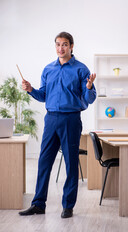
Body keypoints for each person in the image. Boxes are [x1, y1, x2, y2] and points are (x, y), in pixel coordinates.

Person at [19, 32, 96, 218]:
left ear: (71, 46)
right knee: (44, 161)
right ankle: (38, 204)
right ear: (55, 47)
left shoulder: (81, 69)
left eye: (65, 44)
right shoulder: (48, 69)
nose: (61, 48)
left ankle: (68, 206)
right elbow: (44, 95)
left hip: (70, 119)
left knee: (70, 163)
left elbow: (89, 99)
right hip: (51, 119)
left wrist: (89, 87)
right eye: (58, 44)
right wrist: (31, 90)